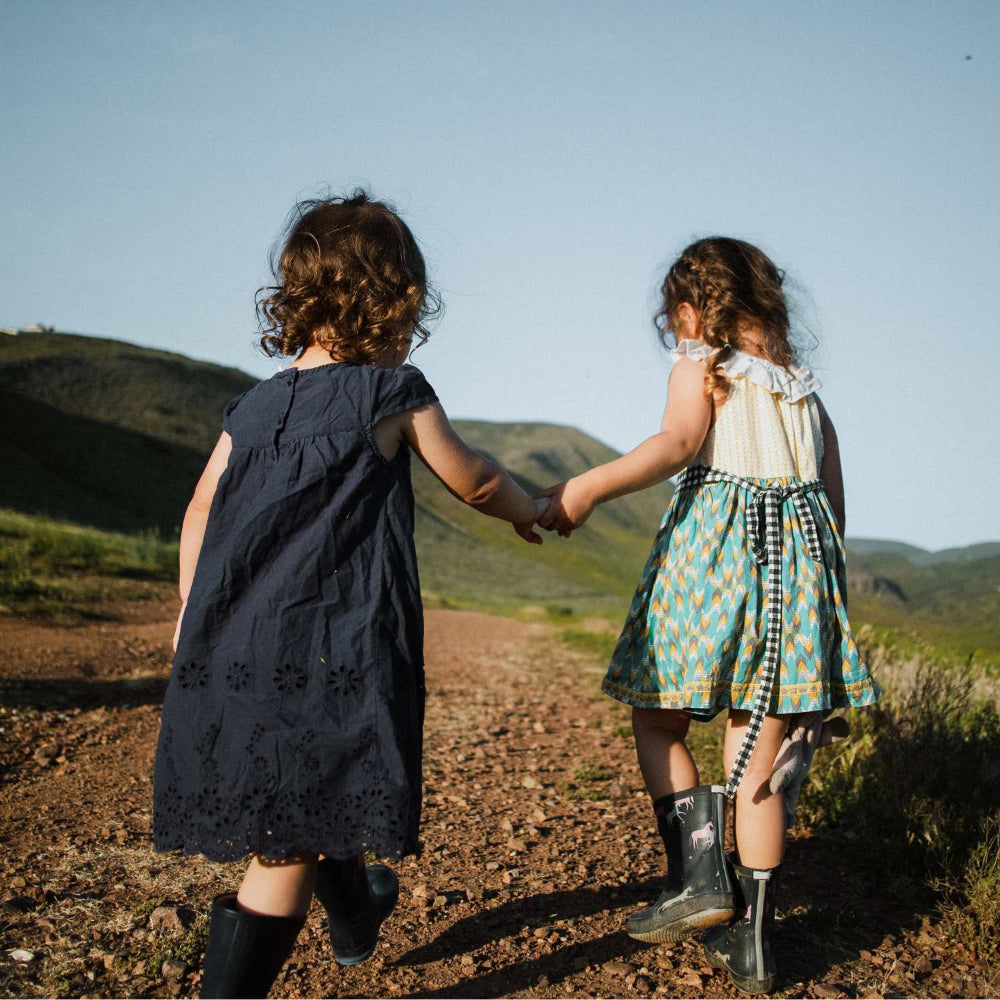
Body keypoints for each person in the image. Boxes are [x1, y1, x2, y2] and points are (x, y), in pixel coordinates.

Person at [151, 190, 550, 999]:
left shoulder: (252, 407)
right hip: (331, 646)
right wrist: (533, 508)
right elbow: (471, 480)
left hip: (231, 642)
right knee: (284, 844)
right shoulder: (391, 392)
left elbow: (198, 509)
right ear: (391, 300)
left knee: (304, 792)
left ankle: (359, 911)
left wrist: (192, 617)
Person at [537, 237, 880, 994]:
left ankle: (698, 876)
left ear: (693, 311)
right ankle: (753, 943)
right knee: (757, 763)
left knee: (658, 717)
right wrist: (818, 603)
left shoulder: (704, 365)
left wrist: (585, 489)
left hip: (714, 566)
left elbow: (677, 443)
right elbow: (833, 506)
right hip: (799, 579)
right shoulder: (803, 390)